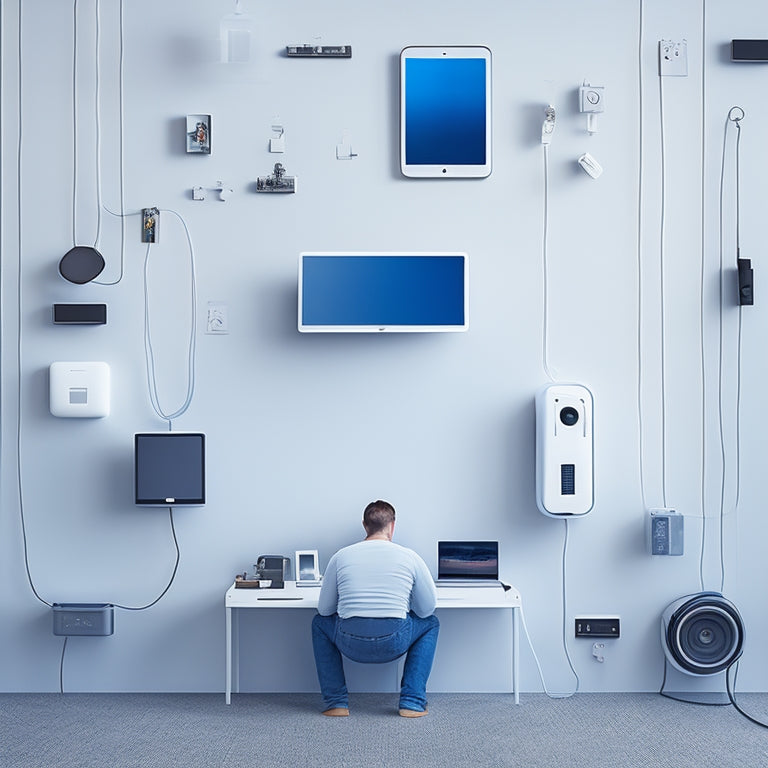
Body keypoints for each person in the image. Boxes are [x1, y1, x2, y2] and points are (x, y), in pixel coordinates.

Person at [311, 500, 439, 718]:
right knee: (431, 624)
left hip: (350, 642)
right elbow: (428, 609)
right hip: (394, 641)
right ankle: (412, 701)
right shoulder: (410, 557)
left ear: (364, 525)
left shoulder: (341, 556)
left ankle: (336, 703)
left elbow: (324, 610)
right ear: (392, 525)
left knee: (319, 623)